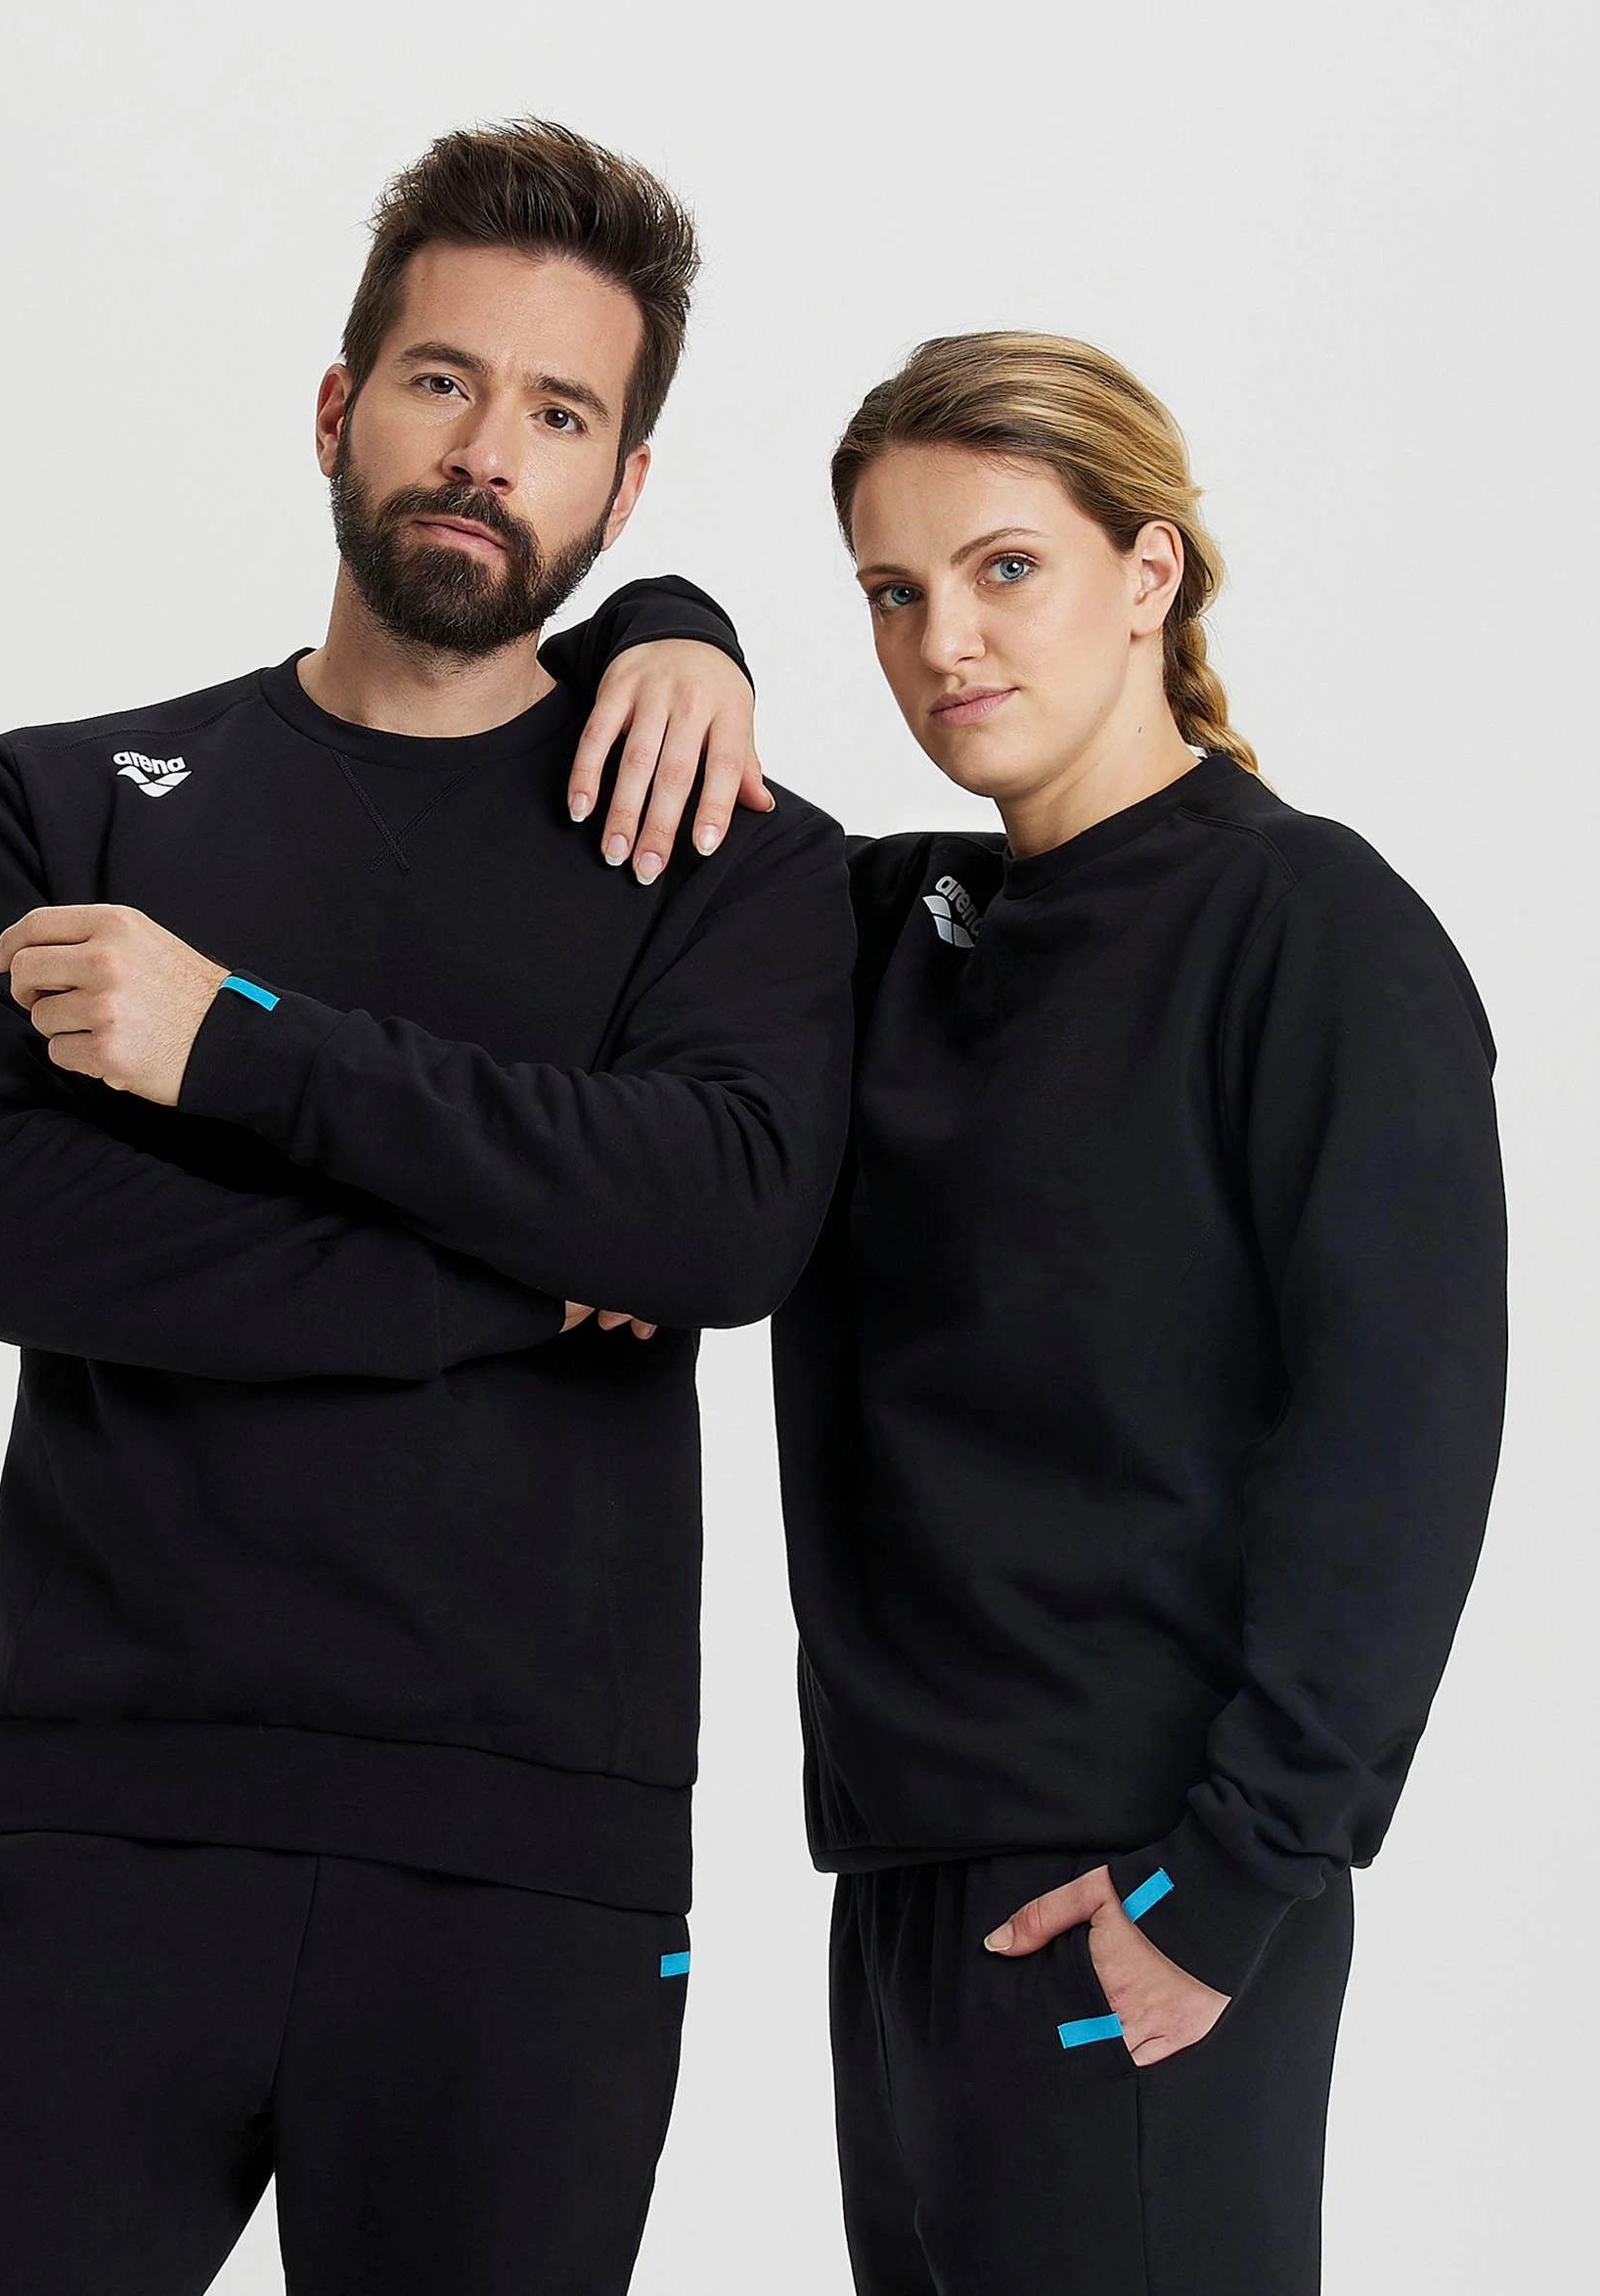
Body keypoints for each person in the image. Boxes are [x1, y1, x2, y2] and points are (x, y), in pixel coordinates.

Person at [0, 119, 852, 2296]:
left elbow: (722, 1225)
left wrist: (228, 1046)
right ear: (337, 407)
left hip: (529, 1876)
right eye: (441, 380)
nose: (488, 450)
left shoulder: (724, 853)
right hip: (102, 1822)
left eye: (561, 414)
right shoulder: (65, 804)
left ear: (626, 492)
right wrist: (518, 1276)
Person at [584, 332, 1507, 2293]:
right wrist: (677, 630)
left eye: (1006, 568)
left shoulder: (1309, 929)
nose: (944, 644)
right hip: (901, 1877)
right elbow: (587, 796)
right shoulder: (881, 929)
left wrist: (1235, 1877)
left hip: (1143, 1867)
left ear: (1148, 571)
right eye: (891, 591)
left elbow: (1404, 1435)